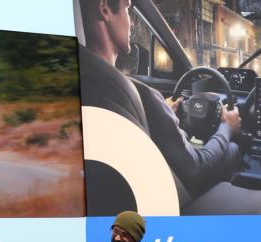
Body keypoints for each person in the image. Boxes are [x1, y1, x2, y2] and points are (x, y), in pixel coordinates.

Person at [78, 0, 242, 196]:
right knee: (233, 148)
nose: (131, 23)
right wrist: (227, 127)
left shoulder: (88, 84)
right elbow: (197, 169)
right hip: (174, 204)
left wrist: (160, 112)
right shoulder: (136, 93)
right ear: (104, 7)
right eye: (127, 9)